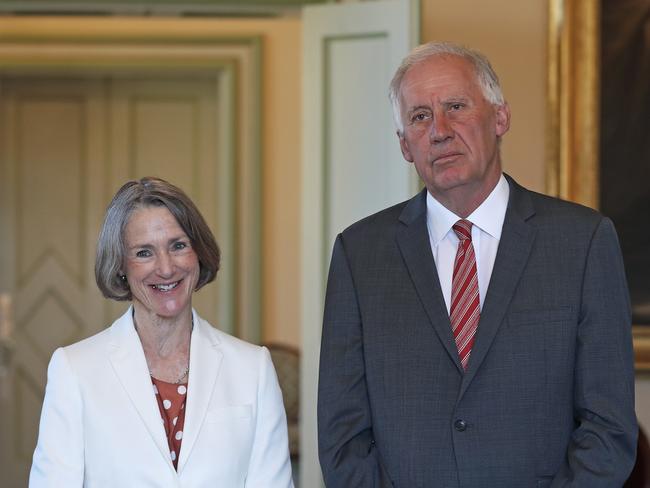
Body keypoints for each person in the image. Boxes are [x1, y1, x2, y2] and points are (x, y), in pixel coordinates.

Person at [317, 42, 637, 487]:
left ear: (500, 117)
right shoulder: (360, 253)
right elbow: (342, 433)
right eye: (420, 116)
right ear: (405, 145)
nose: (440, 130)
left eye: (456, 106)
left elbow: (608, 427)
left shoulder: (582, 241)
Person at [30, 177, 294, 487]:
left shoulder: (254, 368)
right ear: (120, 267)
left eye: (178, 246)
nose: (166, 268)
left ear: (198, 253)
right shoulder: (74, 370)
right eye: (144, 252)